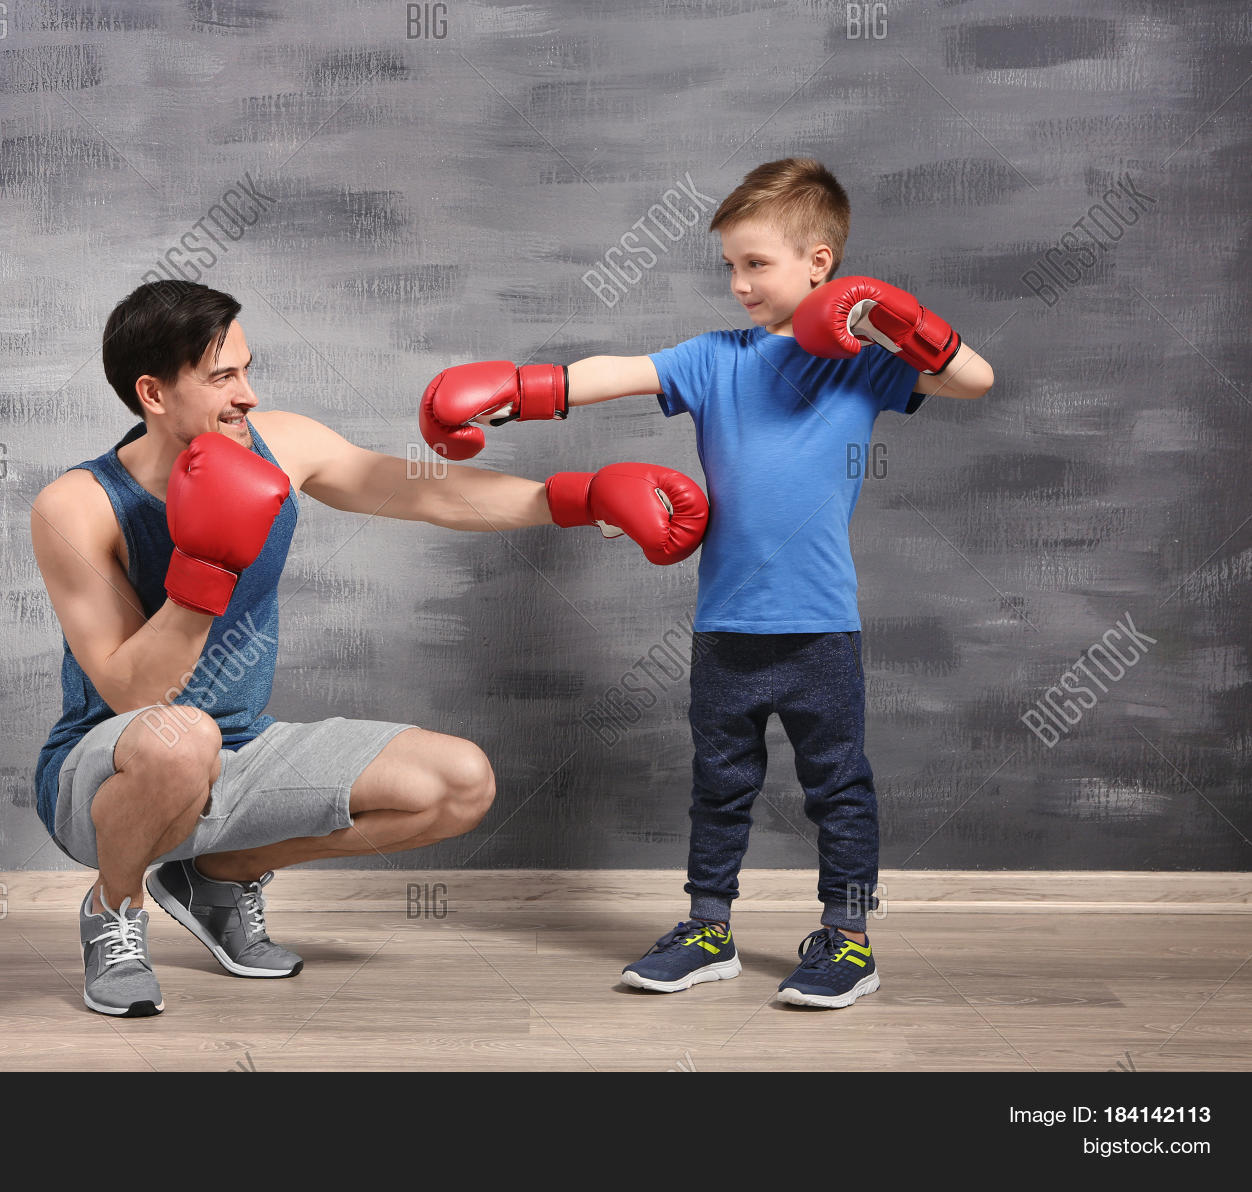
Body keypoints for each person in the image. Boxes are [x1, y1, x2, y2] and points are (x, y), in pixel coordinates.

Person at [30, 280, 709, 1017]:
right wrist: (203, 571)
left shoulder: (280, 446)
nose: (247, 396)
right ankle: (114, 907)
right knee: (179, 737)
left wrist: (572, 500)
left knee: (459, 781)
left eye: (248, 370)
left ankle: (217, 876)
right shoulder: (78, 504)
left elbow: (417, 489)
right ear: (153, 394)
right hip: (107, 770)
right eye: (223, 377)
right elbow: (135, 694)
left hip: (238, 749)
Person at [418, 157, 994, 1008]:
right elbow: (622, 369)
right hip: (726, 626)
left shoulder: (861, 367)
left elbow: (973, 380)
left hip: (821, 626)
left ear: (820, 263)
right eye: (729, 265)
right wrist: (517, 391)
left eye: (755, 264)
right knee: (720, 784)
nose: (737, 284)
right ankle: (709, 928)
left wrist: (902, 325)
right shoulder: (716, 358)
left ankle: (849, 938)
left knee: (838, 785)